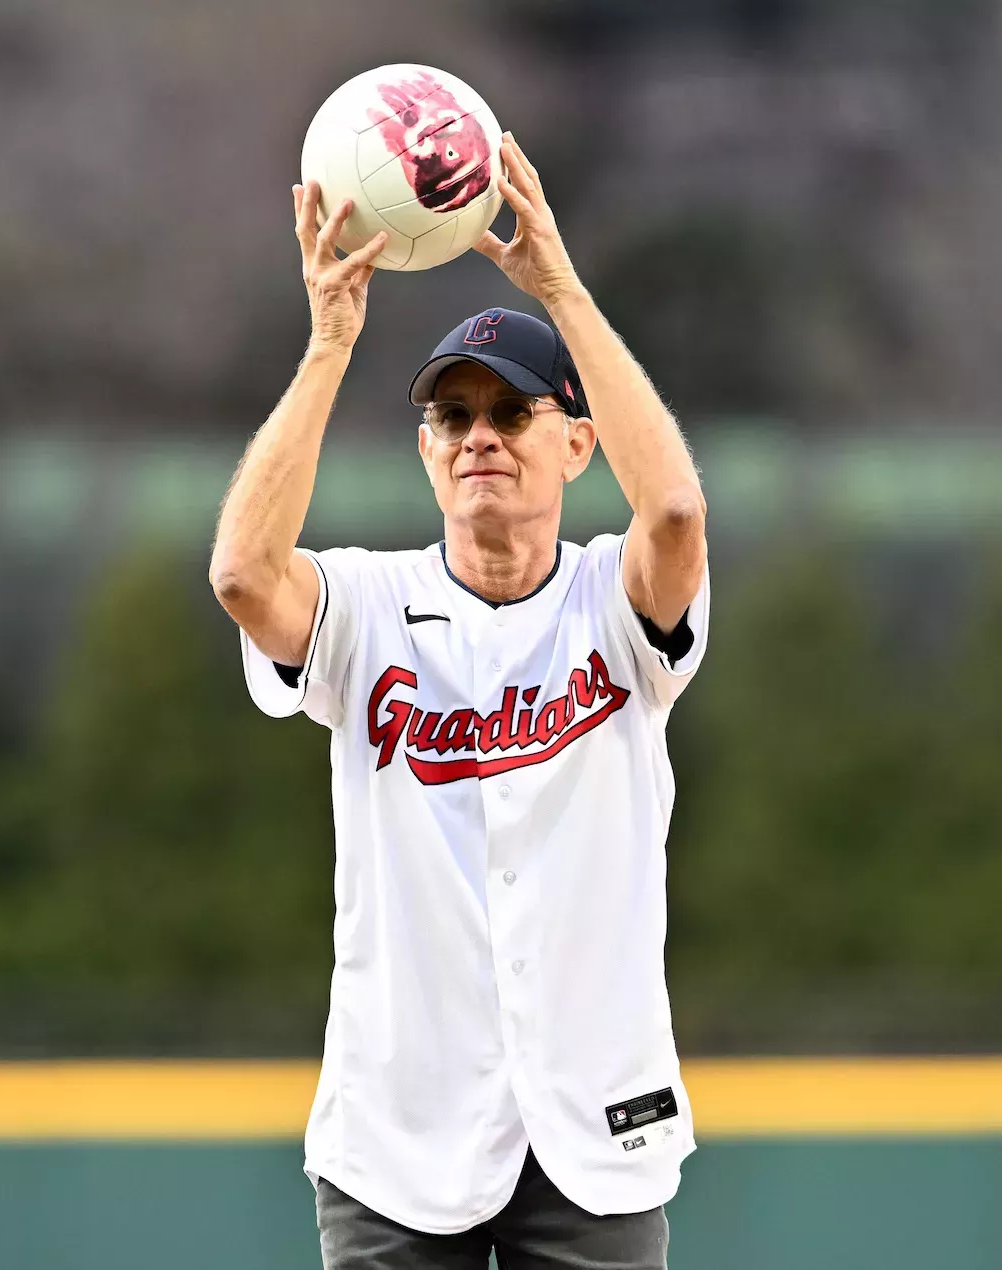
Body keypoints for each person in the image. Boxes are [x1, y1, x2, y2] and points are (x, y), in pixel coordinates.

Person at [209, 132, 709, 1270]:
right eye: (452, 416)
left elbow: (672, 510)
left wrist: (559, 289)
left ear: (577, 442)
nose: (479, 434)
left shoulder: (609, 605)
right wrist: (333, 340)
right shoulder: (362, 607)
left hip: (592, 1131)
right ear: (427, 453)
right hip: (397, 1142)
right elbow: (241, 575)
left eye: (511, 411)